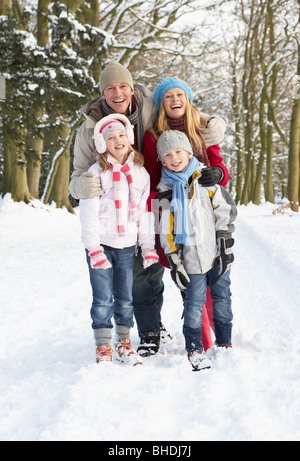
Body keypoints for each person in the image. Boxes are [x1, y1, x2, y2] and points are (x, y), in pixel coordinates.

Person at [69, 61, 226, 356]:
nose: (118, 93)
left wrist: (213, 125)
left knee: (172, 267)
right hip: (121, 213)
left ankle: (209, 329)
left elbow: (180, 108)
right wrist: (82, 188)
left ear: (131, 87)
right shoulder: (89, 129)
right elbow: (77, 176)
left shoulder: (150, 106)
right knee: (141, 276)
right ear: (102, 93)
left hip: (158, 199)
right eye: (110, 88)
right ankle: (150, 330)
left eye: (123, 86)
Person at [143, 76, 231, 351]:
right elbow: (151, 179)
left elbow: (219, 169)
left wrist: (219, 173)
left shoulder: (202, 129)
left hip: (204, 211)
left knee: (215, 282)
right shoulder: (153, 136)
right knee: (190, 285)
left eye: (179, 94)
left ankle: (223, 337)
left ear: (188, 99)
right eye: (168, 96)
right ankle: (201, 341)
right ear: (161, 104)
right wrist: (160, 199)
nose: (175, 100)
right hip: (175, 216)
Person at [79, 113, 159, 365]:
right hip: (101, 245)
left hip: (126, 245)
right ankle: (103, 345)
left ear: (129, 138)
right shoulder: (96, 172)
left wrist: (147, 247)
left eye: (121, 135)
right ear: (103, 144)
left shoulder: (140, 173)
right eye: (110, 137)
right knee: (103, 297)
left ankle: (124, 341)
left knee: (125, 297)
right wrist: (93, 248)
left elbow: (145, 214)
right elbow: (88, 215)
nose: (117, 140)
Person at [156, 130, 236, 371]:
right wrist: (174, 260)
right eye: (167, 155)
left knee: (222, 297)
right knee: (193, 303)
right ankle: (194, 347)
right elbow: (165, 231)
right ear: (162, 161)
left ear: (189, 153)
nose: (174, 158)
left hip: (215, 253)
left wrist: (224, 245)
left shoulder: (206, 181)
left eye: (178, 151)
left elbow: (225, 212)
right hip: (190, 260)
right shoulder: (164, 193)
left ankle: (224, 342)